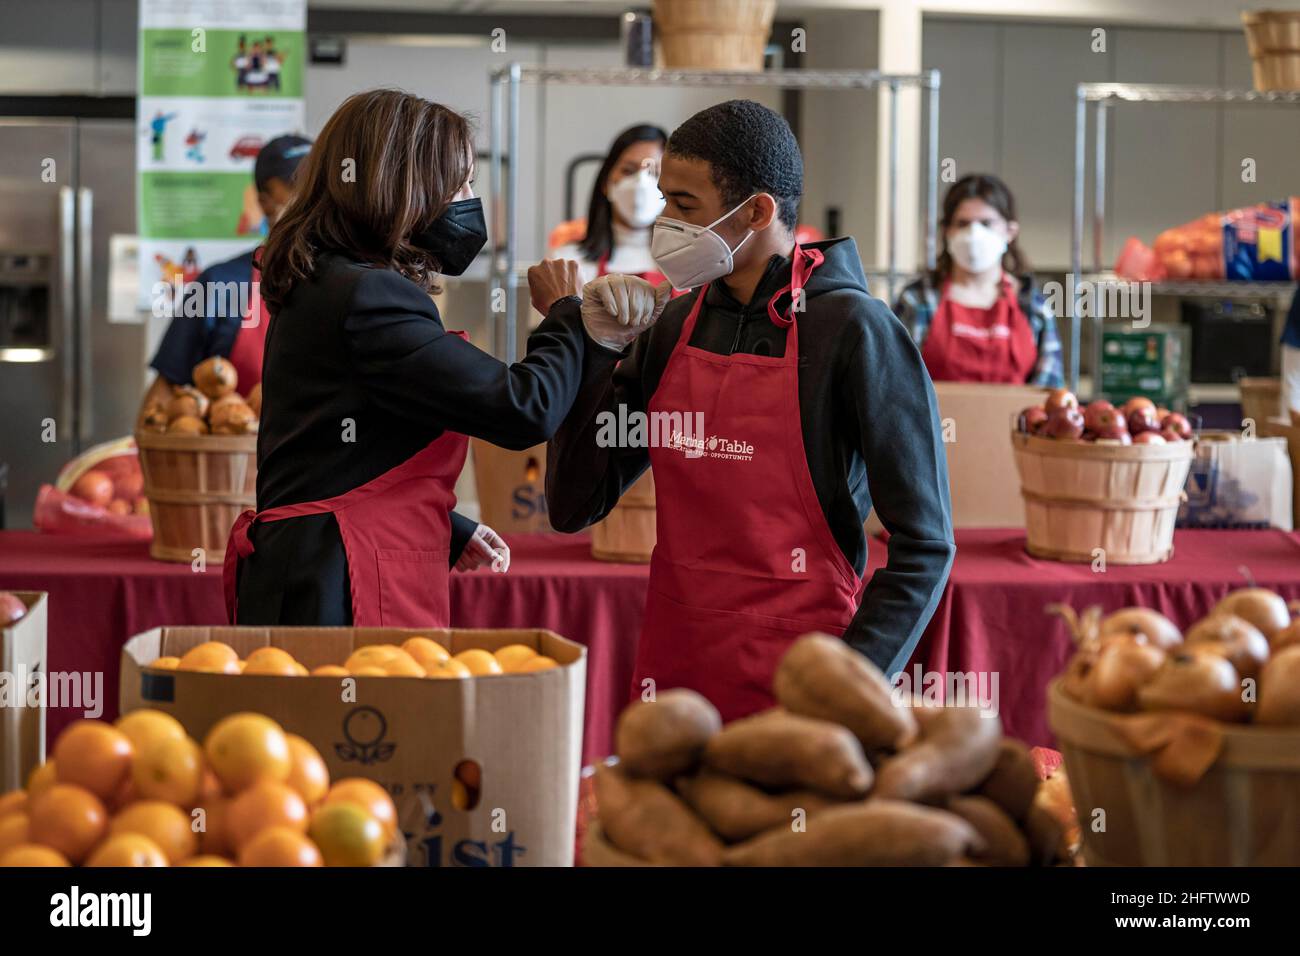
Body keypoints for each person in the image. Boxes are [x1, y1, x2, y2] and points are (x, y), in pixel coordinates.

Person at [546, 100, 955, 721]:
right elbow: (575, 504)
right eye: (666, 203)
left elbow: (926, 544)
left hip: (808, 688)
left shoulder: (855, 331)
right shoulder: (671, 324)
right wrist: (595, 352)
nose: (665, 225)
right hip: (676, 687)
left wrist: (848, 690)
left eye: (684, 207)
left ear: (758, 211)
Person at [224, 89, 628, 628]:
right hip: (340, 580)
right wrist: (564, 313)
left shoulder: (321, 278)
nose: (467, 200)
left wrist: (448, 525)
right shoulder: (369, 296)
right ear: (398, 186)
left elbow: (332, 453)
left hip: (311, 564)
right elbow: (524, 409)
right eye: (457, 183)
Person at [140, 134, 312, 413]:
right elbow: (159, 404)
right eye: (295, 183)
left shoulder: (350, 285)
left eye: (317, 183)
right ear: (264, 201)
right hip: (237, 454)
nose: (308, 196)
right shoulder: (217, 285)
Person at [894, 174, 1063, 387]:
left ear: (1010, 231)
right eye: (962, 223)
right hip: (933, 421)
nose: (974, 234)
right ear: (946, 231)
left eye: (986, 223)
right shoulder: (916, 300)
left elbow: (1049, 392)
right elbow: (894, 382)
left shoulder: (1033, 305)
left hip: (1011, 420)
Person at [550, 124, 669, 284]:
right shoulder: (566, 264)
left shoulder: (687, 266)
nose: (641, 183)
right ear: (606, 183)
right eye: (628, 171)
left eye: (654, 172)